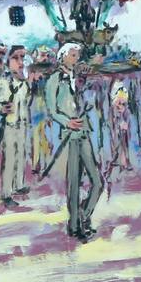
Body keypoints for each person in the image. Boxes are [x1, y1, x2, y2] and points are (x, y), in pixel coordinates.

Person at [45, 42, 101, 243]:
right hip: (68, 135)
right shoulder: (54, 80)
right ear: (62, 56)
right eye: (73, 55)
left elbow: (86, 102)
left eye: (77, 55)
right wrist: (67, 122)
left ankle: (83, 217)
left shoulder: (79, 79)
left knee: (97, 182)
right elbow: (52, 110)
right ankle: (75, 226)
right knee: (74, 184)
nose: (76, 58)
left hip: (83, 132)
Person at [0, 45, 33, 206]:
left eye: (22, 58)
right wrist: (1, 108)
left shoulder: (25, 83)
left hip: (22, 124)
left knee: (21, 154)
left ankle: (19, 185)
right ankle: (6, 193)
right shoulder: (0, 83)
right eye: (16, 58)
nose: (20, 62)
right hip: (9, 125)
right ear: (7, 61)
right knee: (10, 157)